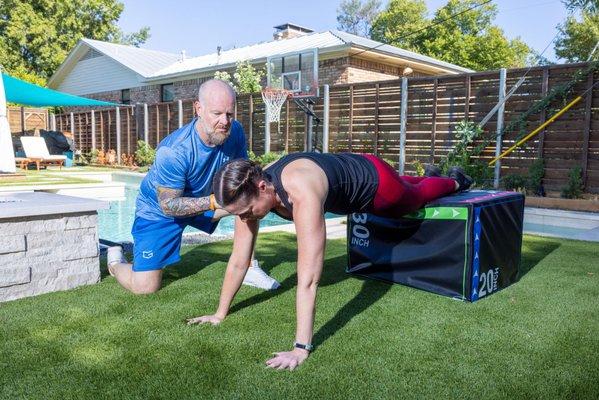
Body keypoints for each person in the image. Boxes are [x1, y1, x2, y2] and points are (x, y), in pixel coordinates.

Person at [187, 152, 472, 370]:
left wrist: (301, 348)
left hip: (375, 183)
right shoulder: (251, 192)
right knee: (410, 186)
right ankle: (432, 174)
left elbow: (309, 279)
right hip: (351, 168)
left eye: (247, 211)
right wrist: (219, 313)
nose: (245, 218)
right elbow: (239, 261)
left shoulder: (301, 192)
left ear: (263, 186)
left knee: (413, 197)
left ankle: (456, 180)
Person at [106, 79, 280, 294]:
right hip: (160, 211)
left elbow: (243, 175)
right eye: (217, 113)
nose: (225, 121)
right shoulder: (174, 151)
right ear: (198, 108)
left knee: (249, 199)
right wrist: (216, 201)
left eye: (229, 114)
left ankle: (249, 268)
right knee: (145, 287)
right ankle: (115, 263)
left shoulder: (235, 132)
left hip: (203, 201)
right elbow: (169, 205)